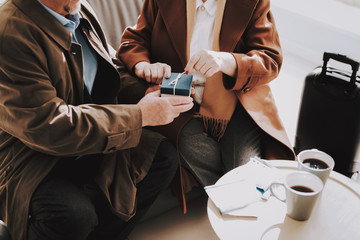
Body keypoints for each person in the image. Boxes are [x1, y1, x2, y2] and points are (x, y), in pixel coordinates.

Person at [0, 0, 194, 240]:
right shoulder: (9, 31)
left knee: (160, 156)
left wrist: (144, 92)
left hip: (89, 137)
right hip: (32, 157)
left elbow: (108, 68)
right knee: (74, 215)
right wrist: (140, 115)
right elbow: (48, 126)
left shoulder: (77, 8)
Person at [117, 0, 296, 190]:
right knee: (193, 149)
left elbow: (270, 59)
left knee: (240, 168)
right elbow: (134, 40)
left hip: (237, 103)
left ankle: (236, 192)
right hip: (181, 103)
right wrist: (144, 66)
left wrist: (226, 60)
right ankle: (238, 192)